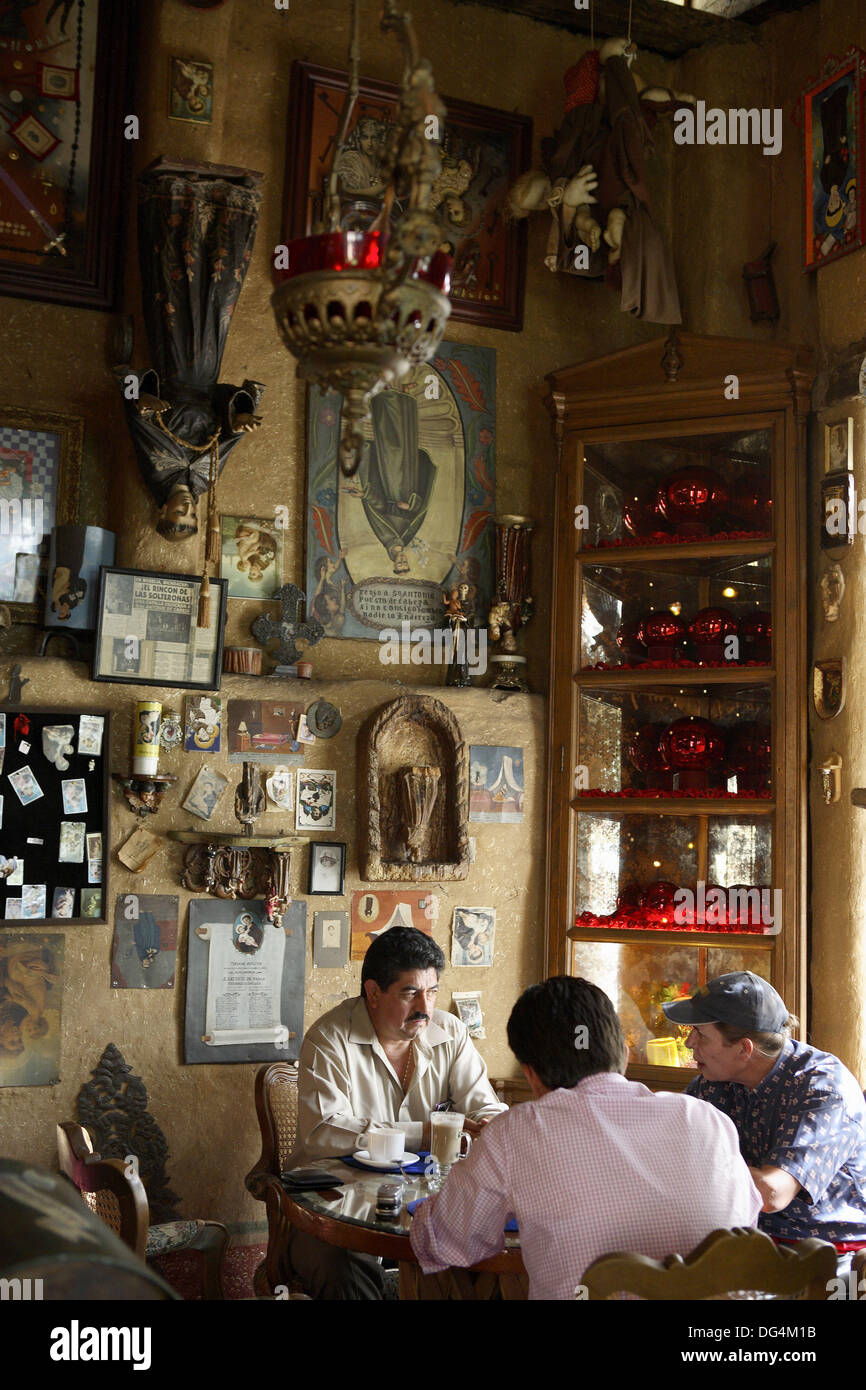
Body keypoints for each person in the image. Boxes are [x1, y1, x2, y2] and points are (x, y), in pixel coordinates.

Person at [410, 975, 760, 1300]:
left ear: (530, 1075)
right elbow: (746, 1228)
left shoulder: (517, 1132)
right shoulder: (708, 1119)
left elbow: (446, 1241)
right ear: (623, 1055)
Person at [286, 926, 506, 1299]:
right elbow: (323, 1132)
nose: (425, 1006)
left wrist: (495, 1123)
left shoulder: (449, 1032)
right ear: (373, 992)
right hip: (334, 1209)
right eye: (410, 992)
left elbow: (483, 1103)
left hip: (428, 1207)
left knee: (489, 1264)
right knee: (344, 1268)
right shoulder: (329, 1039)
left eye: (432, 991)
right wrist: (425, 1132)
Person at [663, 971, 866, 1275]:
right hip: (742, 1241)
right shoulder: (712, 1081)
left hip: (826, 1255)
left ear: (744, 1049)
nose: (689, 1043)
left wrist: (691, 1165)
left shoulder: (823, 1089)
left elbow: (772, 1194)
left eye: (701, 1035)